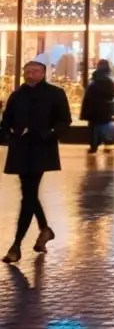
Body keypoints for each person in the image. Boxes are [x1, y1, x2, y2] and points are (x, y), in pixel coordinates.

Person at [0, 61, 72, 263]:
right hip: (20, 149)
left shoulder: (55, 93)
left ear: (43, 73)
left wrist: (45, 134)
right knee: (29, 193)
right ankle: (45, 230)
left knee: (28, 196)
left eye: (34, 71)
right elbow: (6, 121)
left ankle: (16, 245)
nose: (30, 75)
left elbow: (64, 121)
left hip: (41, 149)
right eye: (27, 71)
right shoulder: (17, 95)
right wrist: (8, 134)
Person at [80, 59, 114, 153]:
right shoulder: (109, 81)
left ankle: (95, 146)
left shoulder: (95, 79)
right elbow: (113, 95)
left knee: (94, 127)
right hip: (106, 108)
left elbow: (89, 96)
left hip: (94, 109)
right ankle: (109, 142)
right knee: (105, 127)